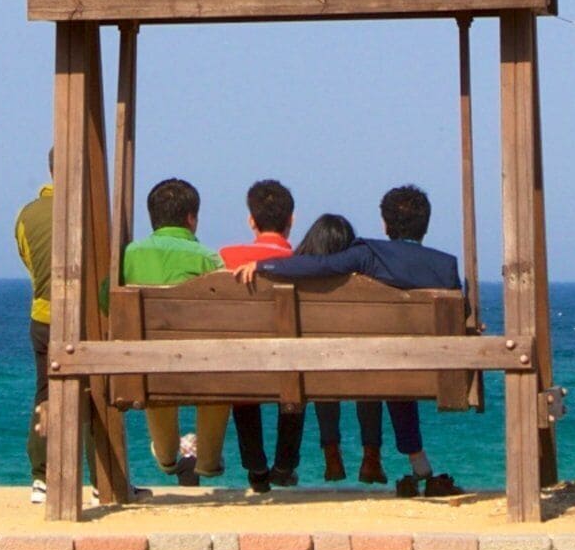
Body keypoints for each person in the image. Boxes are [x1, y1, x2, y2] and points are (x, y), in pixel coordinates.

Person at [234, 184, 462, 496]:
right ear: (426, 224)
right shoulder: (446, 265)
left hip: (367, 367)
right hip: (431, 372)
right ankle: (417, 464)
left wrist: (264, 265)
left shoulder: (370, 254)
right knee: (399, 365)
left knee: (391, 363)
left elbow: (319, 266)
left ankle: (409, 463)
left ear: (385, 224)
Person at [117, 177, 230, 486]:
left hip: (144, 366)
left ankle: (167, 455)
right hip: (200, 366)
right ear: (191, 218)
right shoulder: (208, 258)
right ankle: (208, 460)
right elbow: (227, 315)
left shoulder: (127, 256)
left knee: (156, 372)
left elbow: (105, 303)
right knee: (219, 373)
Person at [215, 180, 301, 492]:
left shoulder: (226, 257)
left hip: (243, 367)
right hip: (291, 368)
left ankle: (256, 467)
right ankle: (285, 465)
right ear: (291, 220)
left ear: (251, 220)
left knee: (242, 368)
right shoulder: (304, 262)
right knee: (295, 373)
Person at [14, 170, 55, 500]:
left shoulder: (26, 215)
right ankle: (102, 481)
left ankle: (41, 476)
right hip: (82, 319)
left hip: (43, 316)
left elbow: (29, 262)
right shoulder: (90, 209)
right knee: (92, 398)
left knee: (45, 393)